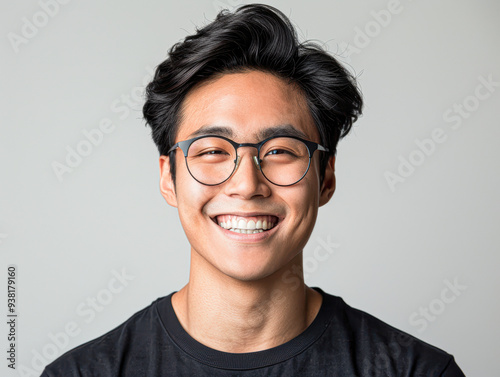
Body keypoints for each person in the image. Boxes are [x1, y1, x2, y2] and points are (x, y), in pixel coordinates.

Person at [41, 4, 465, 376]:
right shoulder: (82, 372)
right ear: (168, 178)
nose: (247, 184)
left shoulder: (415, 370)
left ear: (326, 178)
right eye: (212, 151)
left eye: (281, 150)